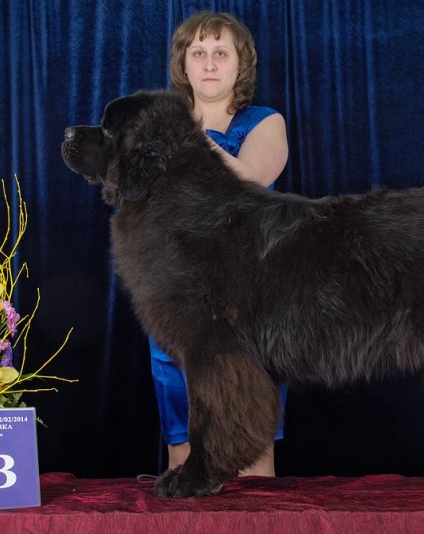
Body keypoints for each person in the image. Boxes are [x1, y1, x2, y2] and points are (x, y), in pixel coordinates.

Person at [149, 11, 289, 477]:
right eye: (199, 53)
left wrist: (186, 136)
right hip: (177, 295)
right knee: (182, 446)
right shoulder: (157, 127)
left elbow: (249, 181)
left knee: (250, 445)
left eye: (221, 53)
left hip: (247, 296)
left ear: (240, 63)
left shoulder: (264, 122)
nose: (209, 64)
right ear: (183, 64)